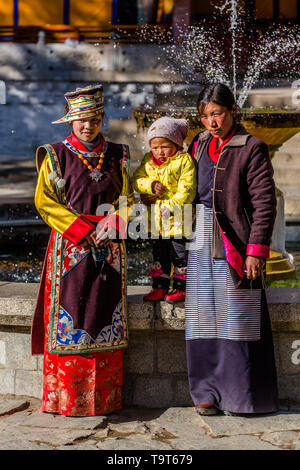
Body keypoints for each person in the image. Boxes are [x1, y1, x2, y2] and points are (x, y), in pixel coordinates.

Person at [31, 84, 134, 416]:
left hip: (108, 247)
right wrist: (83, 230)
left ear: (102, 118)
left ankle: (105, 400)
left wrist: (115, 223)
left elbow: (129, 200)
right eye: (81, 121)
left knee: (104, 317)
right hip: (70, 247)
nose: (87, 126)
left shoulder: (119, 154)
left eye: (93, 119)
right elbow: (45, 202)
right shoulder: (55, 154)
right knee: (72, 319)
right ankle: (64, 400)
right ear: (69, 122)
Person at [185, 83, 279, 416]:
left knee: (239, 319)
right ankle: (206, 392)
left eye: (217, 113)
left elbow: (264, 202)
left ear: (232, 111)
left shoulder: (251, 147)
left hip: (235, 242)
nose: (212, 121)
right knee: (203, 319)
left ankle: (242, 396)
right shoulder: (197, 145)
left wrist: (256, 250)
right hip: (200, 239)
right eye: (205, 115)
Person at [132, 116, 196, 302]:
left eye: (165, 146)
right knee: (159, 256)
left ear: (176, 144)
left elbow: (187, 189)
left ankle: (181, 287)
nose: (160, 152)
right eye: (155, 147)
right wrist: (150, 185)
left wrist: (170, 206)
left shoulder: (184, 161)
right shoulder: (148, 161)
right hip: (156, 223)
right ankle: (159, 287)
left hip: (178, 221)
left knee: (179, 255)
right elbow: (137, 179)